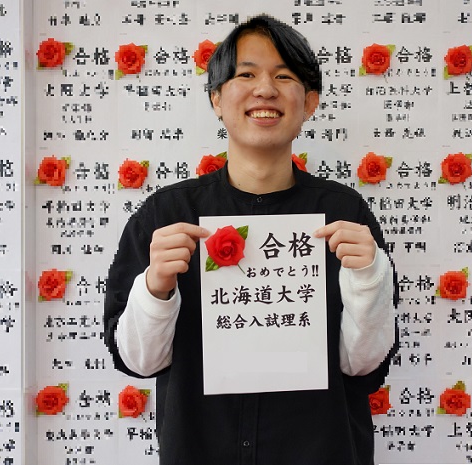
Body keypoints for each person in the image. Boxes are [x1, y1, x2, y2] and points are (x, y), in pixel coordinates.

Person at [104, 14, 399, 465]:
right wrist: (155, 289)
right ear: (217, 99)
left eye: (284, 76)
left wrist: (368, 278)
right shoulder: (166, 216)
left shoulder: (346, 215)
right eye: (246, 75)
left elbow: (363, 367)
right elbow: (139, 362)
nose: (265, 89)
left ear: (310, 102)